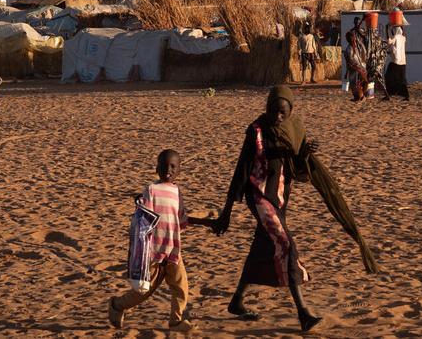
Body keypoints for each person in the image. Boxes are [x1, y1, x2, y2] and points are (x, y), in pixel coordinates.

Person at [212, 85, 380, 332]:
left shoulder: (294, 129)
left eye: (282, 113)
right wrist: (226, 211)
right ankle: (303, 313)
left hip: (280, 198)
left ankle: (237, 301)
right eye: (273, 110)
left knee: (262, 246)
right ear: (266, 107)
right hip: (259, 197)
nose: (277, 117)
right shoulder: (256, 131)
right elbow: (241, 171)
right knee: (286, 244)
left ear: (290, 112)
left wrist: (305, 154)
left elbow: (298, 168)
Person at [109, 150, 211, 332]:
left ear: (179, 169)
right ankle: (117, 305)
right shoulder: (151, 190)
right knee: (143, 292)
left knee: (181, 288)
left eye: (173, 166)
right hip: (154, 252)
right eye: (164, 166)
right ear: (157, 168)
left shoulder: (177, 191)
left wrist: (208, 223)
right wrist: (140, 202)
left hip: (173, 250)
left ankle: (176, 321)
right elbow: (144, 218)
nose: (168, 170)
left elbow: (181, 218)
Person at [363, 21, 390, 100]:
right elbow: (385, 45)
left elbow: (367, 51)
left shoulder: (368, 39)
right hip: (377, 64)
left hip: (371, 63)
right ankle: (386, 95)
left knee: (367, 78)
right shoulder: (378, 38)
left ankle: (366, 95)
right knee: (379, 79)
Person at [343, 20, 368, 101]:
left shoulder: (349, 49)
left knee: (355, 85)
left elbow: (350, 62)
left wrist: (347, 72)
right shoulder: (361, 46)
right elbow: (364, 57)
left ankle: (359, 97)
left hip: (355, 70)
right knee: (360, 84)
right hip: (363, 69)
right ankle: (361, 96)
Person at [385, 26, 410, 101]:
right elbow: (403, 35)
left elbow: (389, 41)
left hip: (395, 61)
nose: (392, 32)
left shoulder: (396, 37)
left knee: (388, 77)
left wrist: (387, 30)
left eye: (393, 30)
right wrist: (402, 27)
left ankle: (389, 94)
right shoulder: (403, 38)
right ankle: (406, 95)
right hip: (402, 61)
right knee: (402, 80)